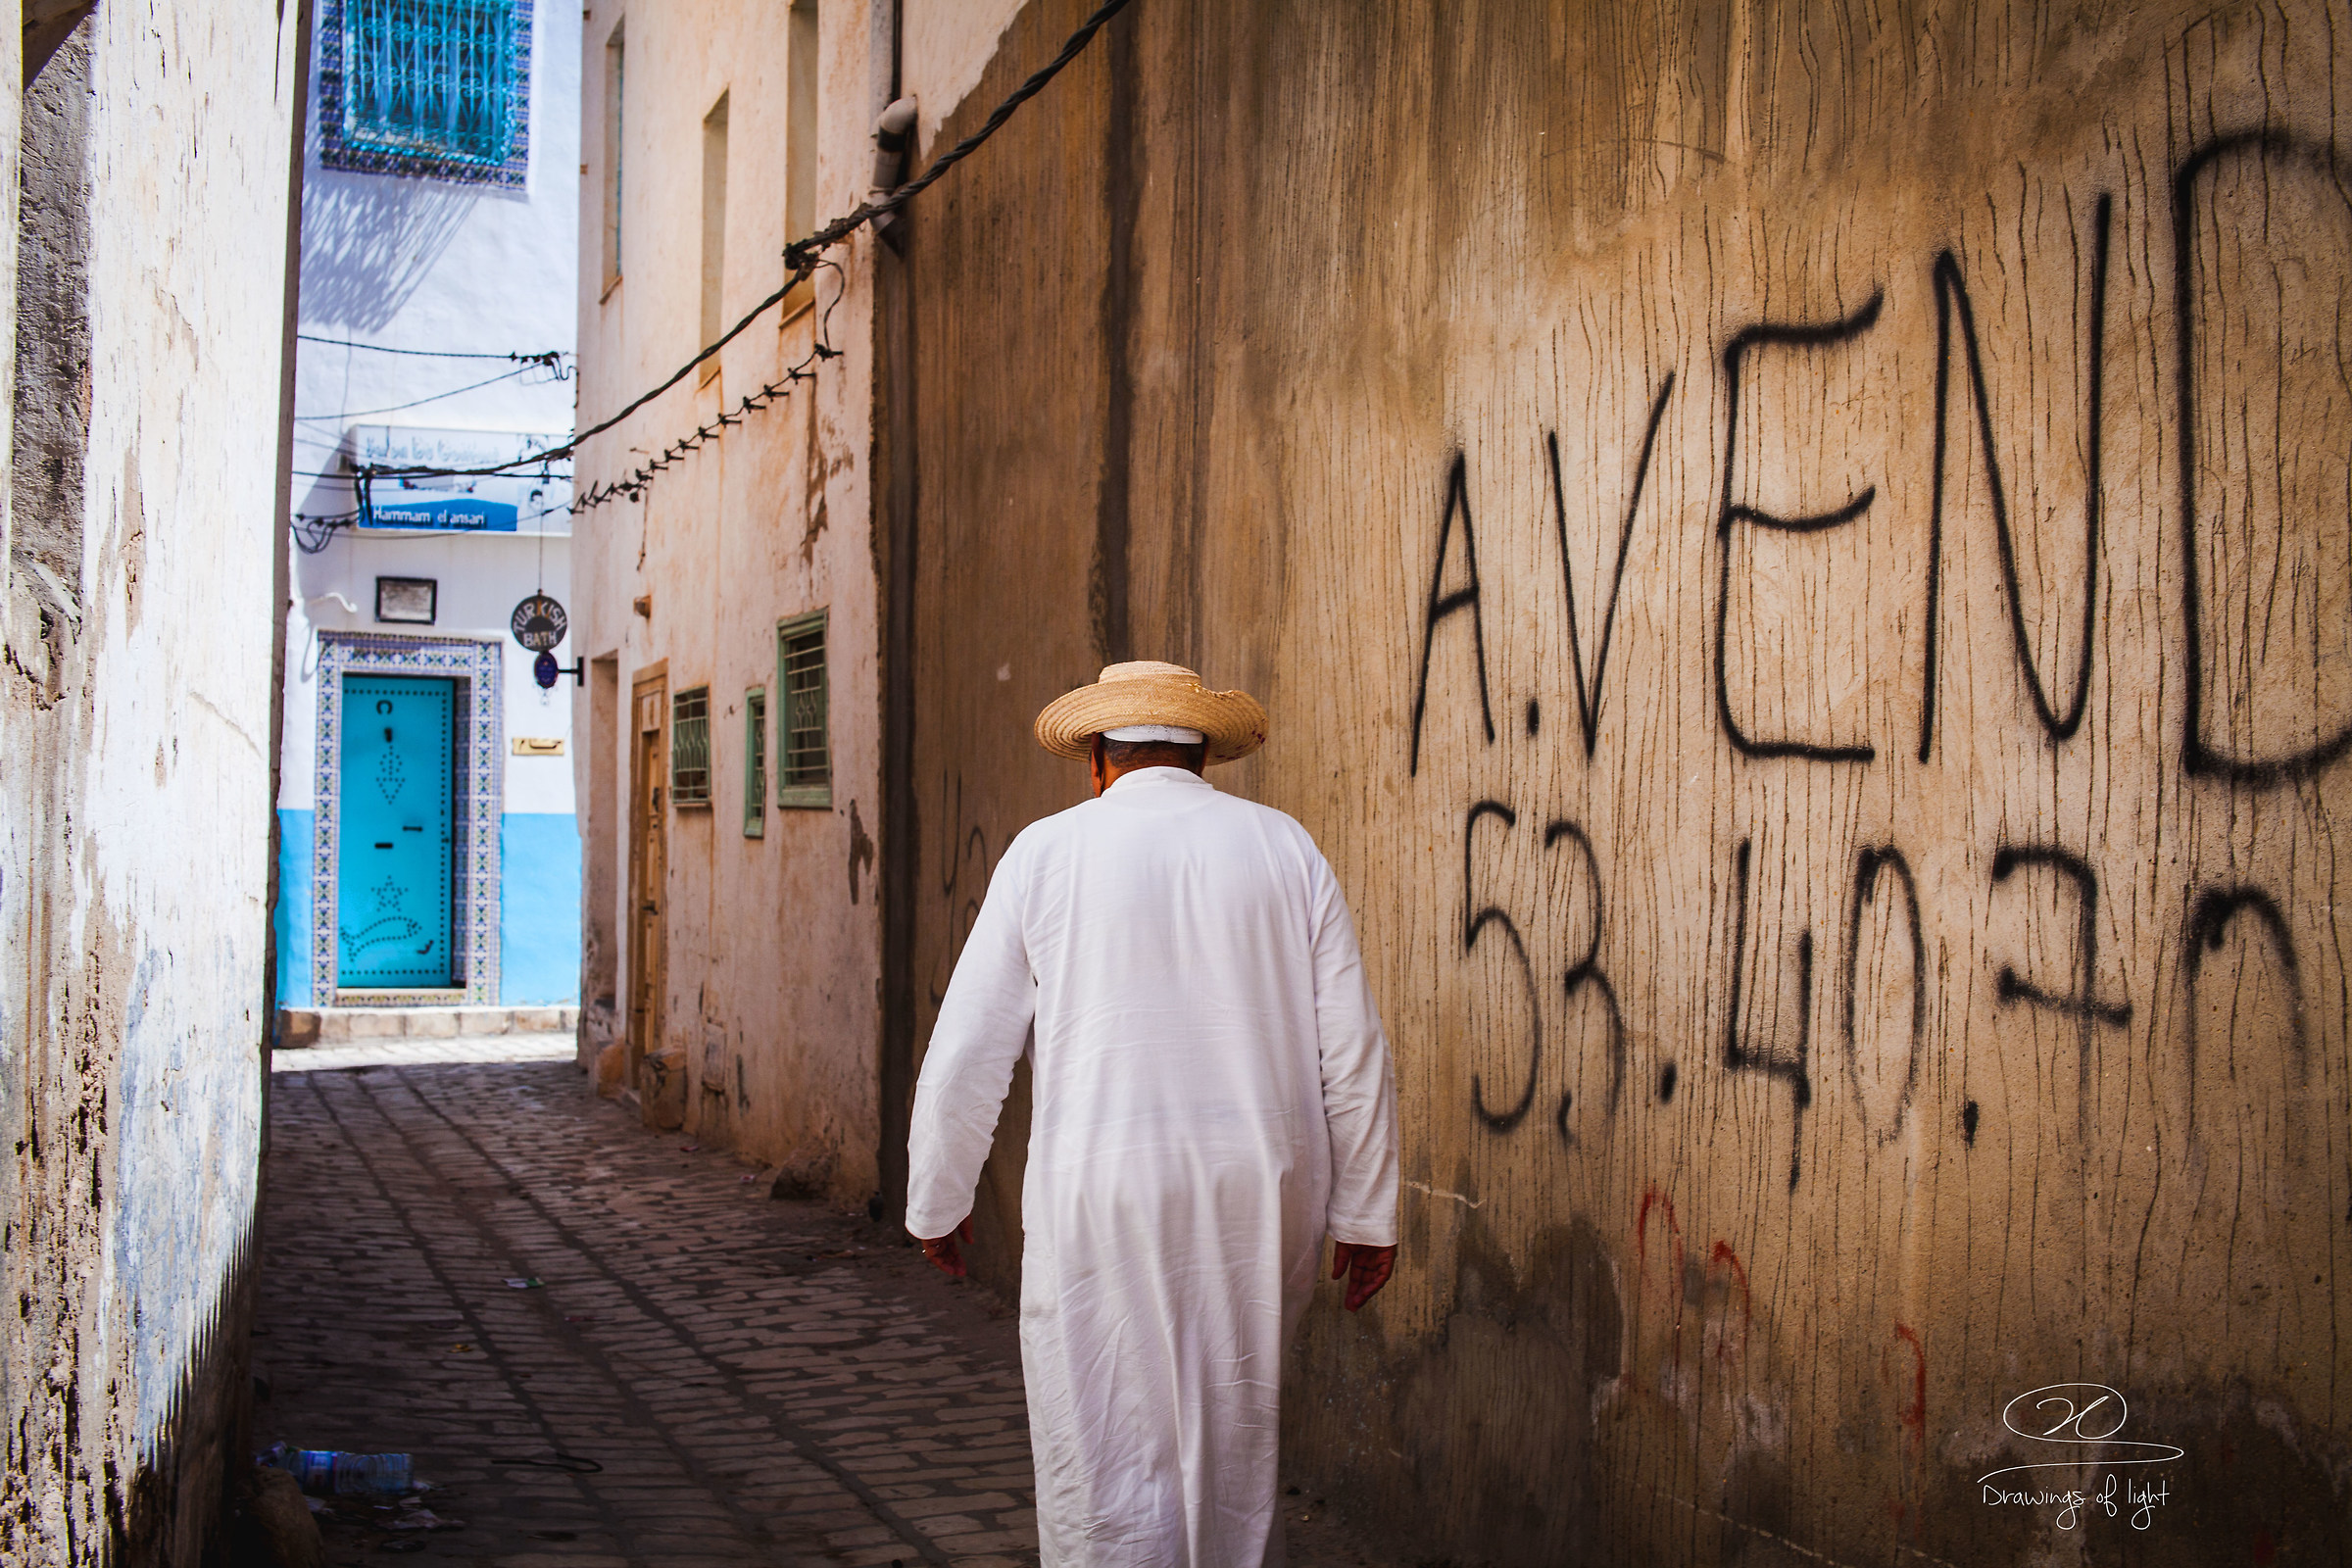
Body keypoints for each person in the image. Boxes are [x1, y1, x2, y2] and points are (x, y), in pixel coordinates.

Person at [905, 660, 1400, 1568]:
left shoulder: (1045, 853)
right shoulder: (1285, 847)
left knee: (1098, 1437)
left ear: (1098, 757)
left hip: (1100, 1189)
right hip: (1259, 1188)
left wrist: (938, 1201)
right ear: (1202, 756)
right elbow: (1354, 1049)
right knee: (1236, 1442)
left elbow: (967, 1050)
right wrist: (1367, 1215)